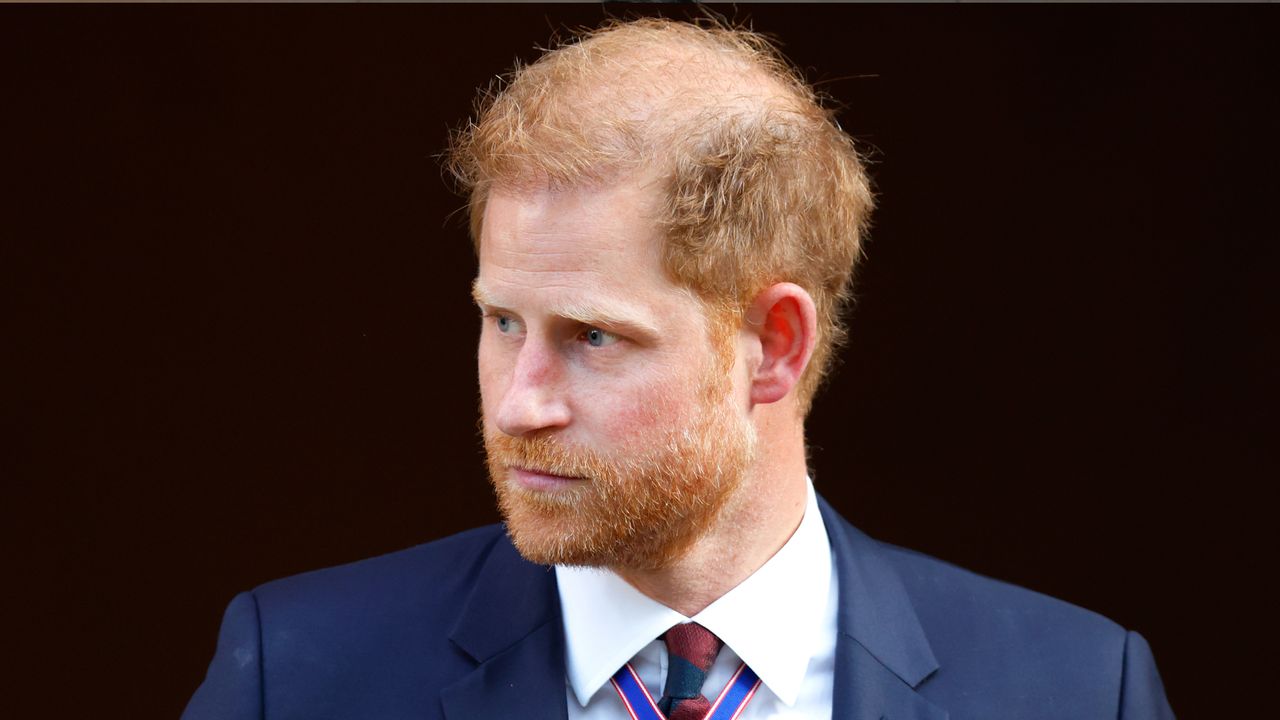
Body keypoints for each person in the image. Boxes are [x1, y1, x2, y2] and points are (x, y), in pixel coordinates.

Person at [183, 18, 1174, 720]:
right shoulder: (300, 677)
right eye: (500, 321)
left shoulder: (1075, 690)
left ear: (772, 347)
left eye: (593, 338)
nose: (519, 402)